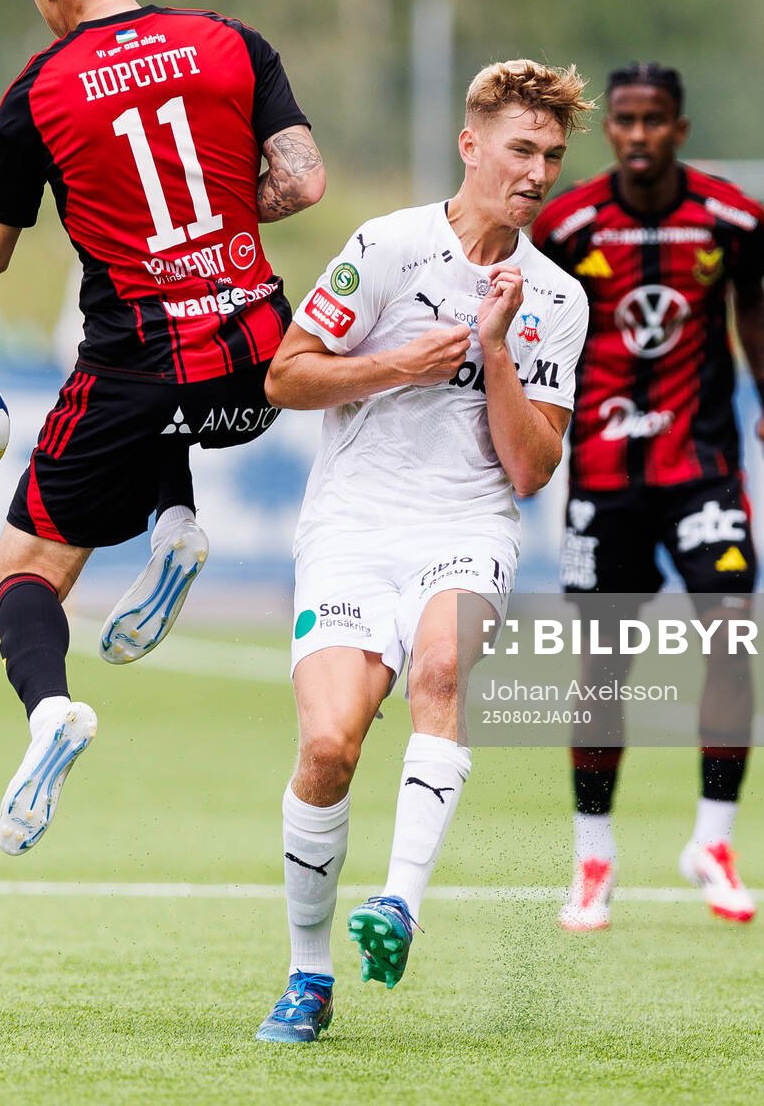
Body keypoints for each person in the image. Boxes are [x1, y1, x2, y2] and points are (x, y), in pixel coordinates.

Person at [0, 0, 325, 857]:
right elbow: (302, 178)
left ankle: (51, 713)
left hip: (139, 371)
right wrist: (219, 226)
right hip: (262, 363)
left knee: (21, 573)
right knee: (180, 404)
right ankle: (173, 518)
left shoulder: (38, 94)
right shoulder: (231, 42)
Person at [251, 61, 592, 1043]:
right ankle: (309, 974)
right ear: (471, 144)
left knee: (443, 664)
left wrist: (491, 350)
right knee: (327, 746)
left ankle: (397, 901)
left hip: (468, 526)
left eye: (553, 158)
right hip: (352, 528)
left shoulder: (557, 300)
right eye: (521, 149)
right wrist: (405, 360)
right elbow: (286, 376)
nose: (536, 172)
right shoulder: (388, 247)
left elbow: (530, 471)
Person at [530, 61, 764, 932]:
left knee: (730, 629)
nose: (639, 135)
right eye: (626, 121)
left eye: (656, 121)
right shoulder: (569, 225)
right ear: (609, 130)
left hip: (703, 466)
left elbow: (751, 304)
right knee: (604, 663)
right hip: (604, 475)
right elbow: (536, 325)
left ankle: (711, 843)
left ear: (681, 129)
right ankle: (593, 859)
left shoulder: (731, 217)